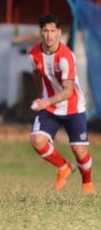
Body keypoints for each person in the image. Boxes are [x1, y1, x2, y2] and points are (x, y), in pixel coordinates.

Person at [28, 14, 93, 193]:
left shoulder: (66, 56)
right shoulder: (33, 54)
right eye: (45, 31)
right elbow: (36, 75)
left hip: (73, 107)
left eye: (52, 31)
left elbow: (68, 90)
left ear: (59, 33)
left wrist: (45, 101)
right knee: (37, 141)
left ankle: (87, 183)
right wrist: (39, 97)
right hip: (50, 107)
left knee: (79, 151)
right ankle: (64, 167)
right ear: (40, 32)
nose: (49, 35)